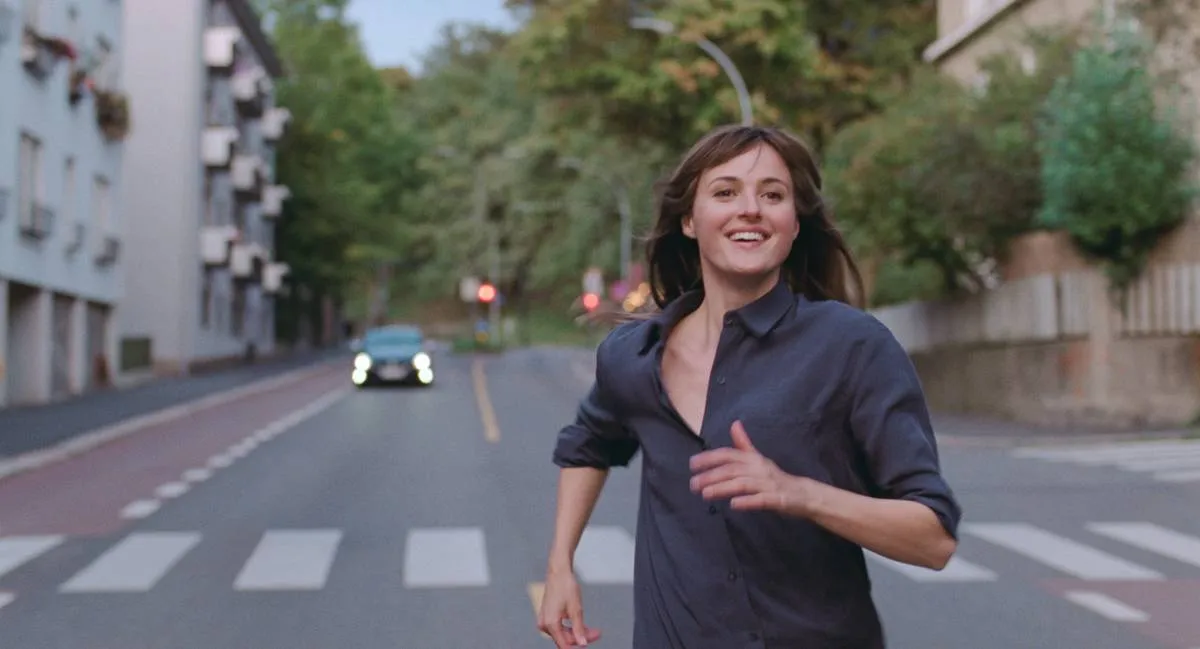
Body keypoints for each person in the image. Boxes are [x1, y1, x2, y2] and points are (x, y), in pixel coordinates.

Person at [537, 124, 963, 649]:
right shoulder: (633, 356)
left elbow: (933, 539)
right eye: (725, 192)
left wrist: (798, 492)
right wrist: (560, 565)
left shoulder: (852, 346)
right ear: (690, 221)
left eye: (772, 195)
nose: (751, 209)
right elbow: (587, 443)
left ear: (794, 223)